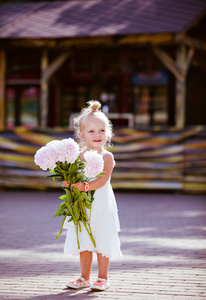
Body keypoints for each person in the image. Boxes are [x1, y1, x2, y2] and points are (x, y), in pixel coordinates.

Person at [63, 100, 122, 291]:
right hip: (84, 204)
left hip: (101, 203)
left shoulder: (107, 157)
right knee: (84, 239)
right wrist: (69, 183)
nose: (97, 135)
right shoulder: (78, 156)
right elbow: (73, 179)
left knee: (102, 237)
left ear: (108, 133)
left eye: (102, 131)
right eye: (91, 131)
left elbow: (103, 180)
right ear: (81, 135)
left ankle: (103, 277)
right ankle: (84, 277)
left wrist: (84, 186)